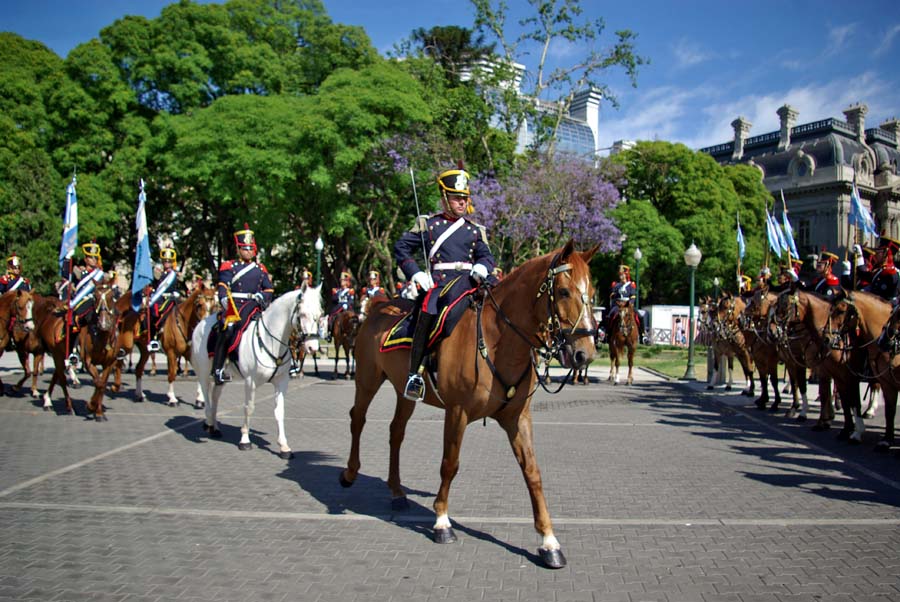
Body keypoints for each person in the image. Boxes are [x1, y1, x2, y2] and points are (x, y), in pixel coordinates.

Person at [394, 164, 496, 402]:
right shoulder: (428, 225)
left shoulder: (474, 230)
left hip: (469, 283)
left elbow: (486, 256)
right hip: (439, 286)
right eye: (456, 198)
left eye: (464, 198)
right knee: (427, 312)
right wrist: (415, 272)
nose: (462, 203)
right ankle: (415, 375)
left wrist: (482, 267)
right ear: (444, 198)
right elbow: (401, 247)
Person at [212, 224, 274, 385]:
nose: (249, 251)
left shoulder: (260, 268)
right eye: (245, 248)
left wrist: (261, 296)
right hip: (235, 306)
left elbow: (268, 288)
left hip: (254, 305)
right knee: (228, 328)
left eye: (251, 248)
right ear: (238, 249)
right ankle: (218, 368)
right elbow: (223, 285)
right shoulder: (230, 266)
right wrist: (224, 299)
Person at [143, 247, 183, 352]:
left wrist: (178, 293)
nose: (167, 263)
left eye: (169, 261)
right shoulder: (159, 274)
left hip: (171, 299)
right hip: (160, 299)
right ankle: (153, 338)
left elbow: (182, 288)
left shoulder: (174, 274)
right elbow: (155, 287)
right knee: (152, 312)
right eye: (165, 261)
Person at [607, 265, 647, 344]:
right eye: (620, 275)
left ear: (626, 275)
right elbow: (612, 295)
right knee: (610, 315)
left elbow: (633, 296)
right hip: (618, 305)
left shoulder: (631, 285)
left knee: (640, 316)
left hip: (628, 304)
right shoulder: (616, 285)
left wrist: (631, 303)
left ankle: (642, 335)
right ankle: (608, 334)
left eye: (622, 275)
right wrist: (615, 298)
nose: (621, 276)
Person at [862, 236, 900, 302]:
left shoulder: (892, 273)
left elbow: (885, 297)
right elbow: (864, 276)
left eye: (879, 251)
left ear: (886, 253)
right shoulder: (880, 270)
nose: (876, 254)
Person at [327, 271, 355, 340]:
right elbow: (333, 298)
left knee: (354, 320)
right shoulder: (336, 290)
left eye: (344, 280)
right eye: (341, 280)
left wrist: (346, 304)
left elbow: (351, 300)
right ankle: (330, 333)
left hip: (347, 308)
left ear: (347, 282)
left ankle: (353, 334)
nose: (342, 282)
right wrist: (339, 298)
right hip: (338, 308)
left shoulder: (350, 291)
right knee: (331, 318)